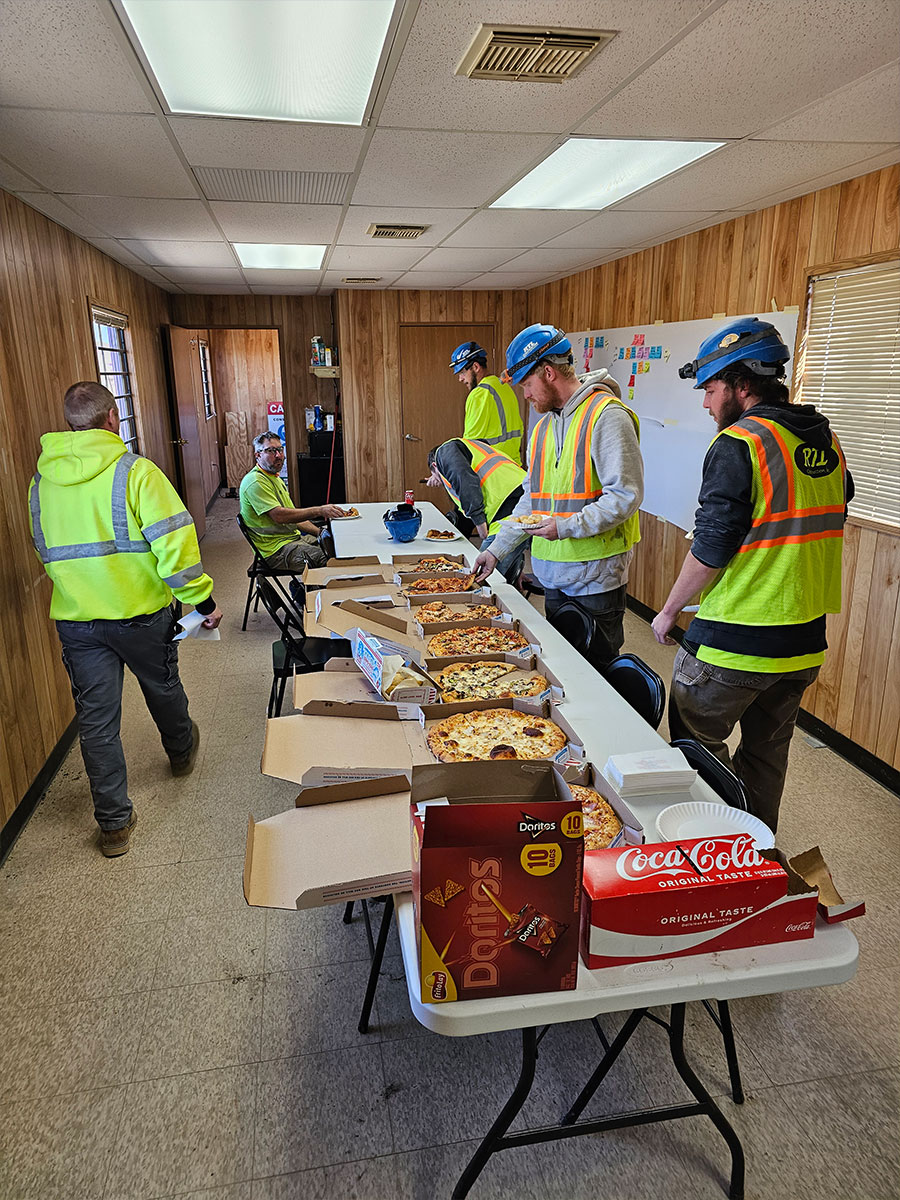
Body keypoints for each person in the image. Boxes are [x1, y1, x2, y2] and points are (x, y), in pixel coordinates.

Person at [650, 318, 851, 833]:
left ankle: (709, 853)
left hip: (736, 640)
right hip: (803, 641)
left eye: (711, 389)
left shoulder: (742, 442)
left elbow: (713, 545)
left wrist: (669, 610)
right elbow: (836, 501)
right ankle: (755, 853)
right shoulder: (825, 439)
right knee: (767, 755)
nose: (705, 403)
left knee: (696, 750)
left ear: (742, 386)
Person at [27, 382, 223, 858]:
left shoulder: (41, 481)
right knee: (162, 686)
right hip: (139, 614)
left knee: (96, 721)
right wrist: (201, 600)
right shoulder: (135, 472)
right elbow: (174, 543)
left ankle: (114, 825)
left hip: (77, 620)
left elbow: (43, 547)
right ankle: (180, 753)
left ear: (71, 423)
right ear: (113, 419)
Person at [474, 325, 644, 669]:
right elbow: (529, 501)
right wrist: (495, 549)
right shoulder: (544, 427)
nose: (525, 394)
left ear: (548, 373)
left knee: (595, 678)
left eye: (527, 384)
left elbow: (625, 497)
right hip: (553, 577)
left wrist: (564, 527)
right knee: (564, 672)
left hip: (596, 581)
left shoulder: (606, 417)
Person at [426, 438, 527, 585]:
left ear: (435, 464)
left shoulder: (445, 451)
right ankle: (511, 575)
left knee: (480, 576)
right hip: (525, 497)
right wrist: (515, 568)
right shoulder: (471, 447)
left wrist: (479, 522)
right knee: (496, 562)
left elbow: (464, 479)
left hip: (507, 504)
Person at [239, 433, 346, 571]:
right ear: (258, 455)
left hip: (291, 539)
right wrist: (319, 510)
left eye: (280, 449)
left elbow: (294, 517)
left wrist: (320, 533)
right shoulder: (255, 482)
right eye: (271, 451)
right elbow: (280, 516)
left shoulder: (274, 478)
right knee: (330, 561)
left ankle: (299, 590)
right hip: (274, 550)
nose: (278, 455)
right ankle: (310, 591)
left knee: (339, 547)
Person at [449, 340, 525, 465]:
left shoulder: (479, 394)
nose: (460, 379)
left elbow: (470, 444)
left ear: (475, 367)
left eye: (462, 372)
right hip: (514, 467)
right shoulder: (504, 387)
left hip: (493, 472)